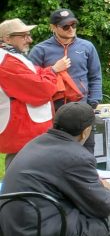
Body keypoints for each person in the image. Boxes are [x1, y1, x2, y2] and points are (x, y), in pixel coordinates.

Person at [0, 101, 110, 236]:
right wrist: (103, 188)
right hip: (48, 229)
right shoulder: (76, 156)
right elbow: (104, 206)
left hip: (15, 227)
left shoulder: (35, 143)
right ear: (85, 132)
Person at [29, 8, 103, 153]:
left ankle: (84, 175)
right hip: (53, 110)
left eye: (73, 25)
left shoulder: (87, 47)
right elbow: (32, 81)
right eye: (65, 26)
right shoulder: (40, 50)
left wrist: (93, 103)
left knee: (86, 149)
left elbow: (95, 76)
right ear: (53, 27)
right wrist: (53, 69)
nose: (71, 29)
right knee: (55, 151)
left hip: (82, 107)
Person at [0, 18, 65, 168]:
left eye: (28, 34)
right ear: (7, 38)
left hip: (25, 133)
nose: (29, 39)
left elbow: (37, 73)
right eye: (23, 36)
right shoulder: (6, 62)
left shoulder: (11, 57)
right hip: (23, 132)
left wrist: (46, 72)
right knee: (25, 180)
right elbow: (42, 90)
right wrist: (53, 71)